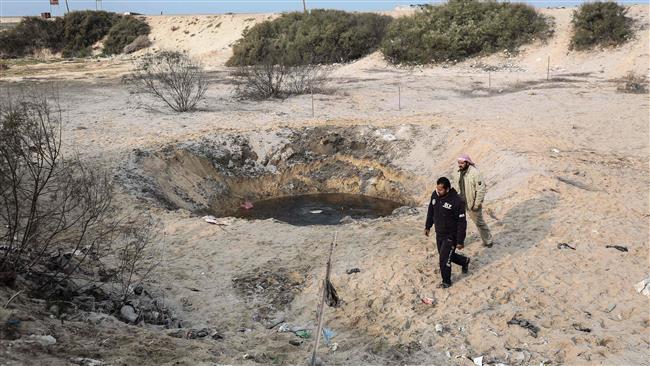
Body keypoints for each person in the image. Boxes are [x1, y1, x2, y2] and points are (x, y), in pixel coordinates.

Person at [424, 177, 470, 289]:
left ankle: (446, 281)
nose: (438, 191)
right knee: (446, 255)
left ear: (447, 189)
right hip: (439, 233)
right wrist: (428, 226)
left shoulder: (457, 201)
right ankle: (464, 261)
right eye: (437, 188)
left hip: (451, 235)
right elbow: (431, 211)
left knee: (444, 260)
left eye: (441, 190)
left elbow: (462, 222)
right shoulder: (435, 195)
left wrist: (460, 240)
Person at [453, 154, 493, 248]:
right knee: (457, 223)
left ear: (467, 162)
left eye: (462, 163)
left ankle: (488, 241)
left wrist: (477, 204)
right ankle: (458, 242)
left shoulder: (475, 173)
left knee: (479, 223)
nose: (460, 165)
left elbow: (481, 189)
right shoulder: (457, 172)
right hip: (460, 203)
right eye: (459, 163)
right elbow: (456, 186)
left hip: (471, 204)